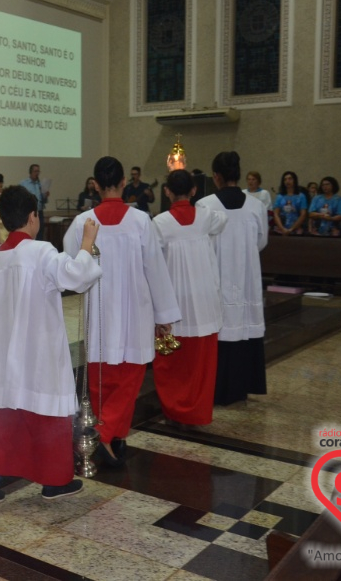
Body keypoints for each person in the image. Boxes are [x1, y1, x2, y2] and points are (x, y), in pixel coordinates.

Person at [0, 185, 101, 503]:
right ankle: (54, 482)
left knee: (6, 421)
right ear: (32, 217)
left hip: (5, 350)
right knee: (50, 417)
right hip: (36, 350)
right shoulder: (40, 252)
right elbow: (76, 276)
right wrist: (87, 244)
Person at [63, 156, 181, 467]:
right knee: (128, 382)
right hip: (134, 315)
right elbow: (155, 270)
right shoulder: (141, 220)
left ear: (95, 185)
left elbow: (71, 268)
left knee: (101, 383)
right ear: (124, 183)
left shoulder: (82, 223)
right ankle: (103, 437)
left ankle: (112, 438)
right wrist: (164, 316)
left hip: (99, 315)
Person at [152, 169, 226, 426]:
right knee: (201, 364)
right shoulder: (205, 216)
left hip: (175, 301)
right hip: (204, 301)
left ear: (167, 192)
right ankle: (197, 412)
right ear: (194, 190)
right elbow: (223, 220)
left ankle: (174, 411)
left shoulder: (159, 223)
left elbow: (153, 265)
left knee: (173, 362)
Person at [197, 151, 268, 407]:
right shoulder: (256, 206)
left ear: (215, 176)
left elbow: (200, 243)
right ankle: (242, 387)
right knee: (243, 329)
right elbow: (261, 241)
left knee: (220, 329)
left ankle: (217, 389)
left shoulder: (205, 205)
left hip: (216, 278)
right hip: (247, 278)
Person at [19, 164, 49, 240]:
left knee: (40, 232)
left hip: (39, 212)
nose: (37, 173)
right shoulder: (24, 183)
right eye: (35, 171)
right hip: (28, 213)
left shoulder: (40, 184)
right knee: (30, 233)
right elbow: (20, 198)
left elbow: (43, 201)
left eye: (38, 171)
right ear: (30, 172)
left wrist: (45, 196)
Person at [272, 171, 307, 235]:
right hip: (281, 228)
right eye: (285, 179)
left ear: (294, 180)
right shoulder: (280, 196)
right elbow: (276, 214)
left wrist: (292, 229)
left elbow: (303, 214)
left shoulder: (301, 196)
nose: (287, 181)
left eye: (290, 179)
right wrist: (282, 229)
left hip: (296, 228)